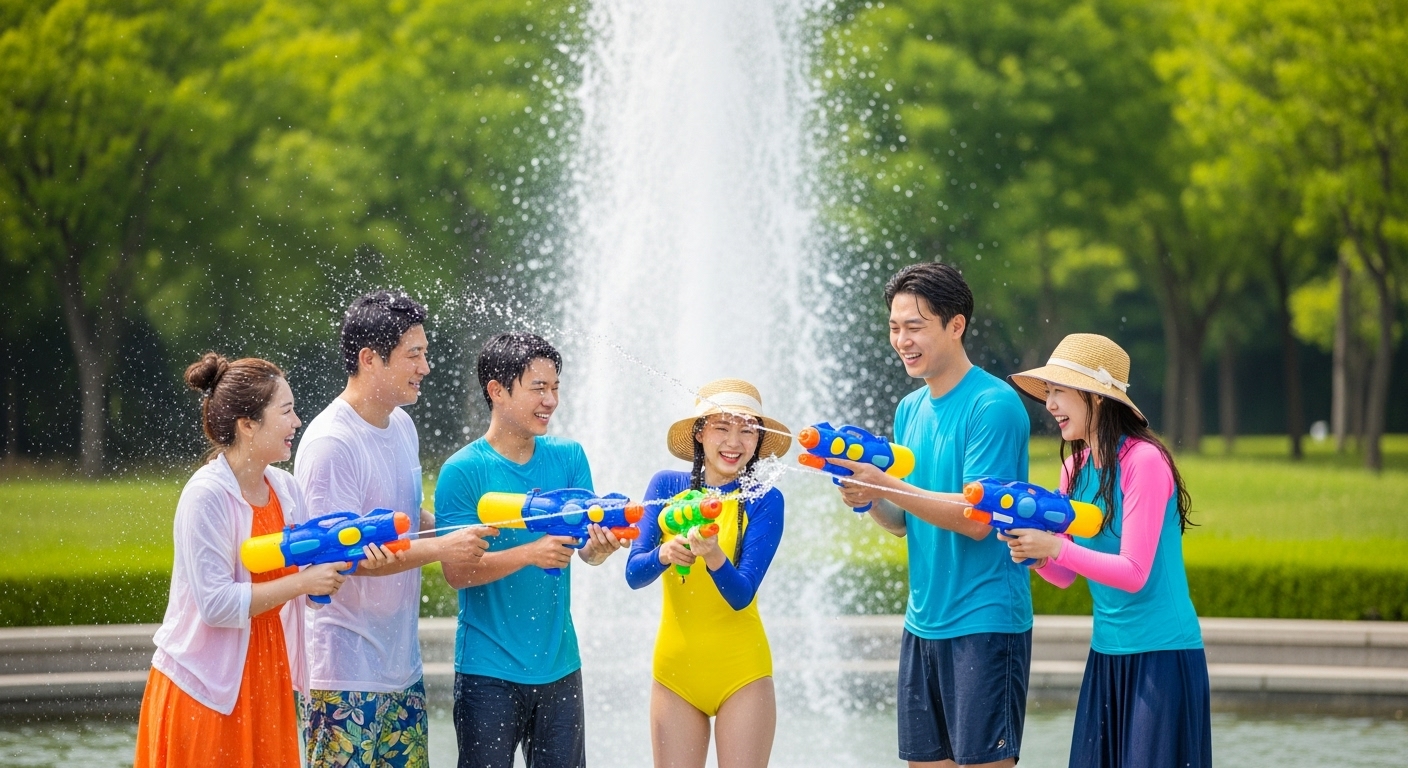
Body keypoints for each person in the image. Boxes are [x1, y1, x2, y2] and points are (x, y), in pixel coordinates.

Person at [821, 262, 1033, 768]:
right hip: (923, 625)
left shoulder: (994, 405)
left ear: (956, 325)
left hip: (985, 622)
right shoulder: (909, 409)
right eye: (895, 327)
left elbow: (977, 519)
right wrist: (869, 499)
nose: (902, 341)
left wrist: (884, 483)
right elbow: (905, 520)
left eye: (914, 327)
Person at [296, 291, 494, 768]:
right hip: (342, 676)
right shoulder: (332, 443)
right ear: (369, 359)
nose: (426, 367)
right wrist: (444, 547)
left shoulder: (402, 426)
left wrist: (457, 528)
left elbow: (406, 516)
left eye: (424, 353)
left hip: (402, 671)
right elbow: (343, 559)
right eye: (414, 355)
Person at [134, 353, 357, 767]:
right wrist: (305, 583)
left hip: (266, 676)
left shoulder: (286, 489)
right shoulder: (206, 496)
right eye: (286, 412)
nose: (297, 422)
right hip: (204, 685)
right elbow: (216, 604)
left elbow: (302, 583)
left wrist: (338, 563)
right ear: (248, 425)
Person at [1002, 334, 1211, 768]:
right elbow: (1065, 575)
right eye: (1048, 392)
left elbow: (1133, 573)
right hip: (1106, 655)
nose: (1050, 404)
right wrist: (1033, 553)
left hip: (1162, 658)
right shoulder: (1073, 469)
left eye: (1059, 391)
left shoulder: (1144, 461)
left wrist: (1054, 546)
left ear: (1097, 397)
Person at [434, 331, 627, 768]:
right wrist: (529, 553)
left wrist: (602, 548)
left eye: (555, 387)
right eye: (538, 388)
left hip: (560, 666)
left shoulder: (569, 456)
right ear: (497, 391)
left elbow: (587, 551)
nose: (551, 400)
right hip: (487, 671)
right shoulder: (463, 471)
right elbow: (456, 573)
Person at [625, 379, 790, 768]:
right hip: (675, 674)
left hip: (742, 672)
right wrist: (664, 553)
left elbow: (741, 595)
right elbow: (634, 573)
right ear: (699, 433)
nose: (734, 442)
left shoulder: (764, 499)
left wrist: (713, 554)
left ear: (758, 440)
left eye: (747, 430)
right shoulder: (665, 486)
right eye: (722, 427)